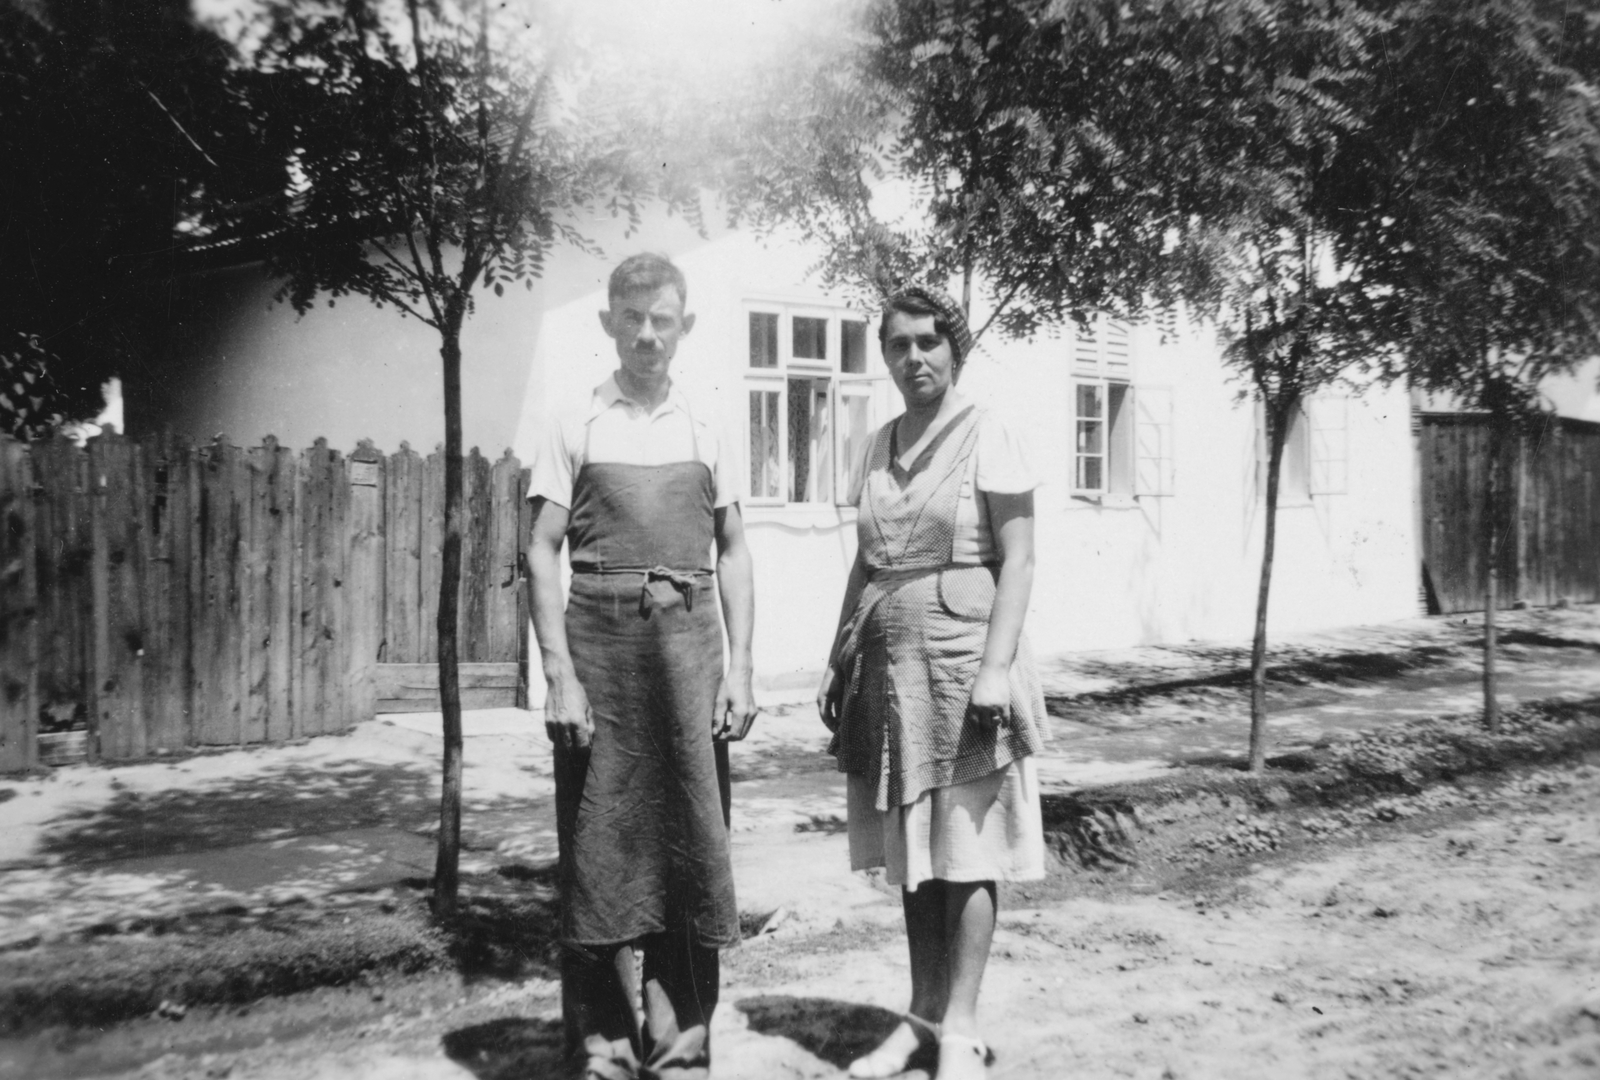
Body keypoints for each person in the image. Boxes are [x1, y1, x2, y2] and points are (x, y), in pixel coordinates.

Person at [526, 253, 758, 1080]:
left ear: (684, 325)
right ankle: (603, 1054)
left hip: (691, 657)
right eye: (633, 318)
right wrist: (558, 675)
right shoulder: (575, 420)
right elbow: (541, 551)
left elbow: (732, 551)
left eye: (663, 319)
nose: (648, 335)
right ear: (609, 324)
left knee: (692, 853)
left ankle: (681, 1055)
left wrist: (743, 670)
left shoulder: (710, 421)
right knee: (598, 855)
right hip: (602, 659)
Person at [817, 286, 1047, 1080]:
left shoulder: (991, 432)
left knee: (967, 849)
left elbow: (1017, 557)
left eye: (928, 342)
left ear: (955, 349)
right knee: (913, 850)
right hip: (890, 667)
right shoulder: (878, 441)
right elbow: (867, 559)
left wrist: (994, 670)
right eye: (897, 345)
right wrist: (838, 653)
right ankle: (918, 1018)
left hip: (962, 664)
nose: (913, 358)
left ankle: (961, 1027)